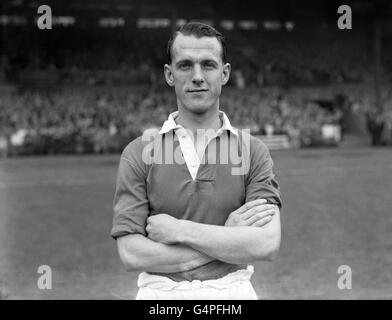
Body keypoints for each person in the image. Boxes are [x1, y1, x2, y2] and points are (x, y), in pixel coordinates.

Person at [111, 22, 282, 300]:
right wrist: (227, 237)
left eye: (209, 65)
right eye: (186, 65)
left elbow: (266, 244)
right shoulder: (138, 152)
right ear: (169, 74)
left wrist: (179, 230)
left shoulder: (253, 151)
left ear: (225, 73)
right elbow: (131, 254)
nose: (198, 76)